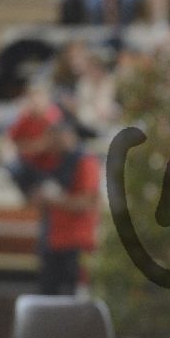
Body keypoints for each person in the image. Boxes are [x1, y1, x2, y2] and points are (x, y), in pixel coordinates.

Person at [31, 120, 101, 295]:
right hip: (52, 239)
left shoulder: (84, 161)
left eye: (57, 138)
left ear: (68, 137)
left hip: (76, 241)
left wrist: (54, 200)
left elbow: (87, 202)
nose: (53, 144)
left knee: (72, 295)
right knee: (47, 294)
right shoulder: (53, 161)